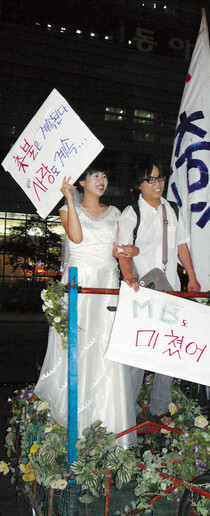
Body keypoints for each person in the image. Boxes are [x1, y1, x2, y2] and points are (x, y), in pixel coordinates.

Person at [34, 166, 138, 447]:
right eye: (95, 176)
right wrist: (69, 198)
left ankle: (108, 426)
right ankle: (75, 426)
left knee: (106, 348)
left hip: (106, 281)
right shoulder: (69, 209)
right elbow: (76, 239)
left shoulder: (115, 212)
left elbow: (120, 249)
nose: (101, 181)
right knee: (79, 346)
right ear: (82, 181)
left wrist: (130, 254)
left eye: (104, 176)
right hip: (81, 281)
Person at [118, 158, 200, 423]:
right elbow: (123, 252)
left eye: (160, 178)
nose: (158, 184)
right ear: (139, 185)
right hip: (143, 291)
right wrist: (129, 278)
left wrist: (192, 277)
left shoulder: (172, 209)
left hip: (171, 288)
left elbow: (182, 245)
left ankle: (159, 406)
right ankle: (128, 409)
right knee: (139, 350)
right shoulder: (131, 212)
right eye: (150, 180)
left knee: (168, 349)